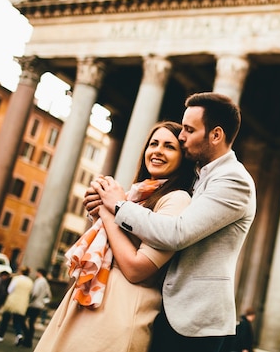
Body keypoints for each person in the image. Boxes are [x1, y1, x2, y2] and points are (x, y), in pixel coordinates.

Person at [86, 92, 257, 352]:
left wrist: (118, 205)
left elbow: (177, 232)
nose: (181, 137)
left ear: (216, 135)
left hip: (195, 320)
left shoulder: (234, 180)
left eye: (189, 129)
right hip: (168, 309)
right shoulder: (198, 175)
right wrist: (101, 208)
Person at [35, 120, 195, 352]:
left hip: (120, 311)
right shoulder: (135, 195)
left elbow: (136, 269)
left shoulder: (177, 199)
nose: (158, 150)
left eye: (170, 146)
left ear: (183, 158)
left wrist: (109, 211)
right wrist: (101, 208)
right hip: (92, 305)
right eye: (154, 144)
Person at [0, 266, 33, 345]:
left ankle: (0, 335)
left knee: (5, 319)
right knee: (17, 320)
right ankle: (19, 335)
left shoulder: (16, 279)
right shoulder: (30, 281)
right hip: (23, 303)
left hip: (12, 301)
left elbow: (10, 289)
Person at [22, 268, 52, 348]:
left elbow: (34, 293)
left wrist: (29, 301)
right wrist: (43, 302)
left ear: (39, 273)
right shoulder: (45, 282)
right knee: (31, 323)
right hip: (39, 305)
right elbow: (49, 295)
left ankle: (27, 339)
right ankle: (28, 340)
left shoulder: (39, 281)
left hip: (33, 305)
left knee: (23, 320)